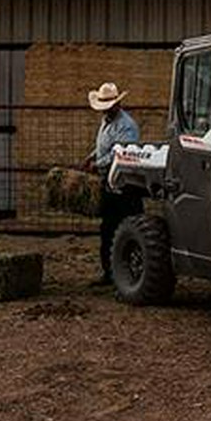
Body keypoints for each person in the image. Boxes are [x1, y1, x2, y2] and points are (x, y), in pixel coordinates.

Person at [85, 81, 143, 285]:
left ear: (117, 104)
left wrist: (98, 163)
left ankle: (128, 272)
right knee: (108, 228)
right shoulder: (107, 121)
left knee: (124, 227)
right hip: (110, 183)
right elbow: (104, 147)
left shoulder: (126, 126)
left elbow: (119, 153)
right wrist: (92, 156)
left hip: (124, 185)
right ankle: (110, 272)